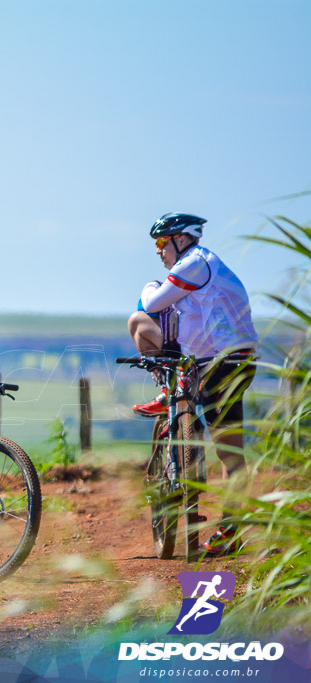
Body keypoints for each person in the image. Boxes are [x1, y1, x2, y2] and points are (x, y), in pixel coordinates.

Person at [127, 213, 258, 555]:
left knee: (231, 456)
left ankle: (230, 531)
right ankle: (171, 393)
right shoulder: (195, 268)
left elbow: (151, 304)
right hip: (217, 361)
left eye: (161, 242)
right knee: (232, 455)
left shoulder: (194, 263)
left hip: (223, 363)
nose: (158, 251)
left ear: (181, 239)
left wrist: (149, 285)